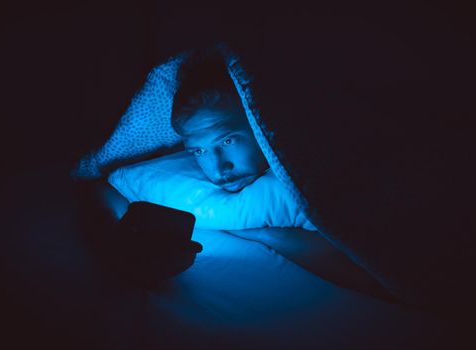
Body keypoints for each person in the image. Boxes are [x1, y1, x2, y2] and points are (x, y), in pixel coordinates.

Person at [81, 50, 394, 300]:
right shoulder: (176, 174)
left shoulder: (317, 163)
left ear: (261, 126)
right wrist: (118, 244)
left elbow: (382, 277)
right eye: (198, 151)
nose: (218, 167)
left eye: (227, 141)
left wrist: (266, 234)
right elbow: (104, 190)